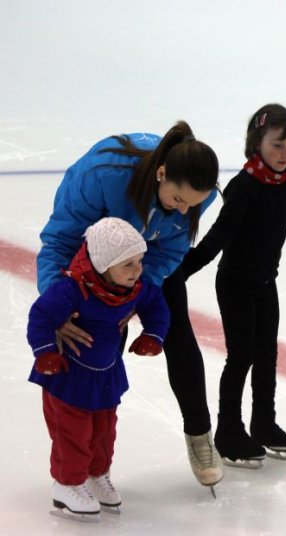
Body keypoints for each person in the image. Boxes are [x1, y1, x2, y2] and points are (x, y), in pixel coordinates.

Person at [36, 121, 225, 486]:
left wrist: (137, 296)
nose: (184, 211)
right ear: (161, 173)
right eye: (178, 200)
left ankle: (200, 436)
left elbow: (171, 249)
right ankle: (86, 464)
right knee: (96, 347)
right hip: (96, 254)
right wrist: (56, 305)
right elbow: (60, 241)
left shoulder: (197, 194)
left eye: (193, 205)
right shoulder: (103, 175)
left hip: (149, 257)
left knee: (175, 329)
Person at [179, 104, 286, 467]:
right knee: (241, 356)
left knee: (267, 356)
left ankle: (263, 422)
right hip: (236, 285)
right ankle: (228, 431)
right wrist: (181, 271)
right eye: (277, 145)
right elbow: (217, 238)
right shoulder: (244, 187)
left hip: (265, 283)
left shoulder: (284, 181)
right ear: (257, 142)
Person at [28, 218, 170, 521]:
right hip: (69, 377)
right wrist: (46, 353)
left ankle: (96, 475)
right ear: (104, 264)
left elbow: (156, 305)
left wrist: (153, 335)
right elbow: (41, 315)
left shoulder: (134, 289)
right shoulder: (72, 289)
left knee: (104, 432)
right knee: (73, 434)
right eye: (128, 264)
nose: (137, 270)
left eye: (139, 261)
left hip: (105, 373)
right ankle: (66, 485)